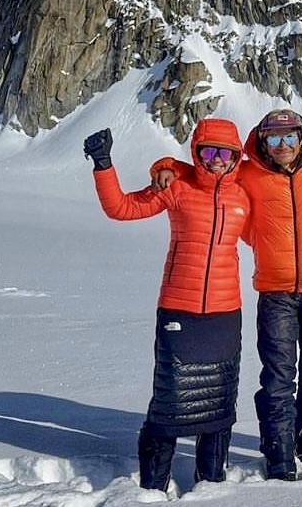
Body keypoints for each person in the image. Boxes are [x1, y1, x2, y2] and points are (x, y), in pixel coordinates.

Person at [151, 108, 302, 481]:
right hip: (275, 292)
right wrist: (165, 164)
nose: (283, 146)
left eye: (290, 137)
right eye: (274, 139)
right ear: (262, 144)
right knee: (278, 377)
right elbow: (202, 170)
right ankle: (279, 455)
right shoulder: (250, 173)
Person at [83, 118, 249, 492]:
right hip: (180, 309)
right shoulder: (179, 187)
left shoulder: (243, 193)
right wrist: (104, 164)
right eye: (209, 152)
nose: (217, 160)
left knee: (219, 402)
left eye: (226, 153)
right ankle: (153, 486)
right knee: (171, 400)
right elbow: (122, 208)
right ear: (197, 153)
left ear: (237, 156)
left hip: (225, 313)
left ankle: (212, 483)